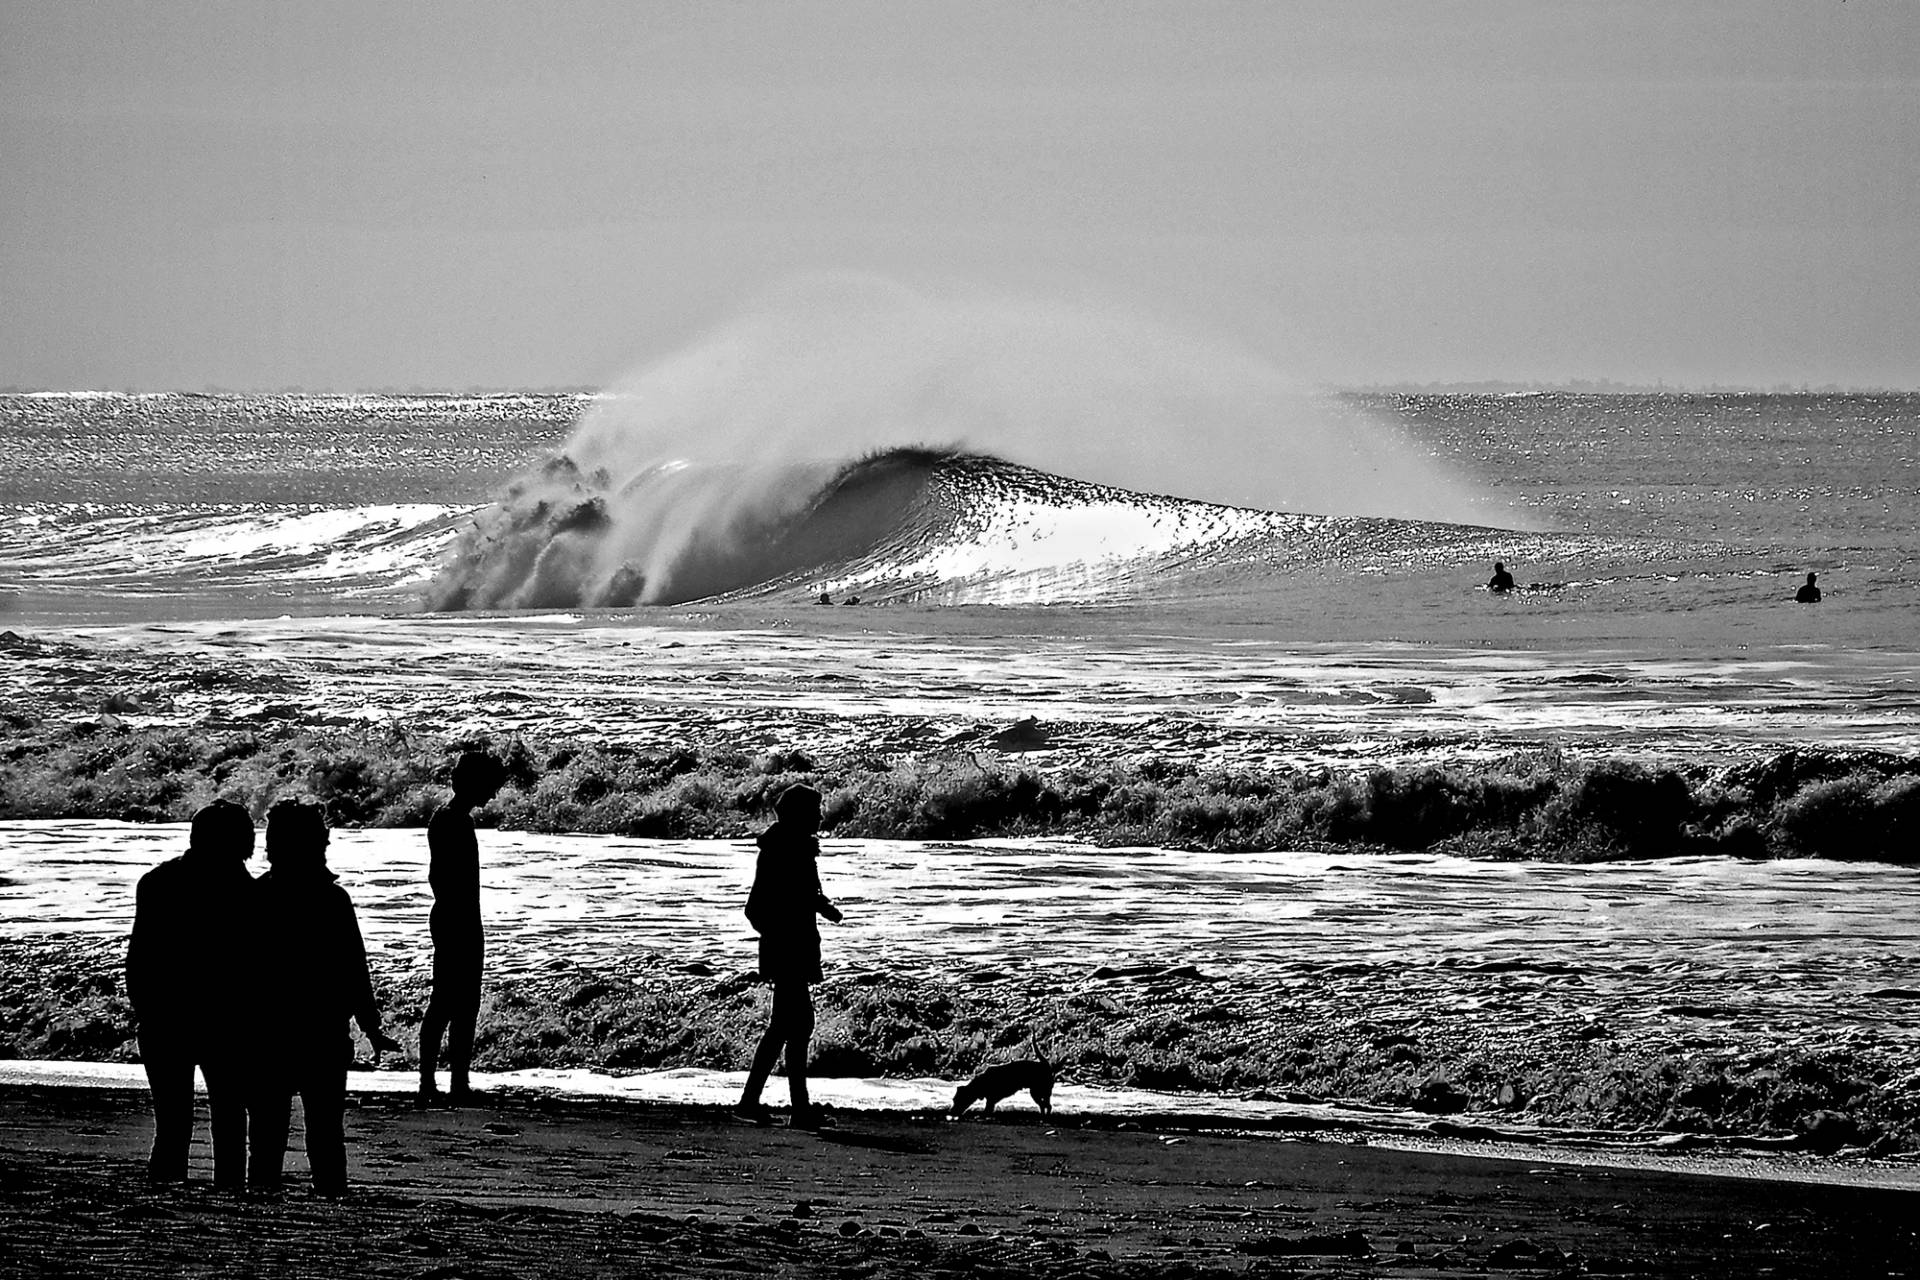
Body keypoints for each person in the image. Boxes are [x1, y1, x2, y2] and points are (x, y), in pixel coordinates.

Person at [248, 799, 400, 1196]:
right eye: (322, 841)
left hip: (266, 1032)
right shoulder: (332, 900)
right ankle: (330, 1193)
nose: (325, 847)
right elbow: (354, 968)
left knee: (266, 1131)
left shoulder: (255, 897)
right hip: (321, 1031)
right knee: (325, 1130)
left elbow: (236, 972)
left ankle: (264, 1195)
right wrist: (370, 1024)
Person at [124, 799, 258, 1188]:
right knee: (230, 1118)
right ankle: (229, 1193)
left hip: (165, 1015)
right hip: (225, 1019)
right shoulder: (248, 894)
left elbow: (139, 959)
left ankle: (166, 1193)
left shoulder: (157, 882)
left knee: (172, 1122)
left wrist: (146, 1011)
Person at [736, 783, 843, 1130]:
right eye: (815, 809)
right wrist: (784, 932)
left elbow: (800, 893)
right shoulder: (786, 849)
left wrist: (821, 905)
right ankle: (779, 1105)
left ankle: (776, 1104)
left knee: (790, 1025)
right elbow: (759, 906)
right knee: (795, 1025)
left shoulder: (792, 846)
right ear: (799, 814)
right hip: (789, 947)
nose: (821, 814)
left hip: (790, 945)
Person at [418, 750, 507, 1105]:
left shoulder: (445, 818)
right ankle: (446, 1081)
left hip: (451, 916)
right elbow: (446, 879)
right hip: (459, 919)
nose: (494, 794)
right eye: (491, 786)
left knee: (451, 1000)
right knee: (454, 1002)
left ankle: (444, 1080)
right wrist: (464, 919)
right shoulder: (455, 822)